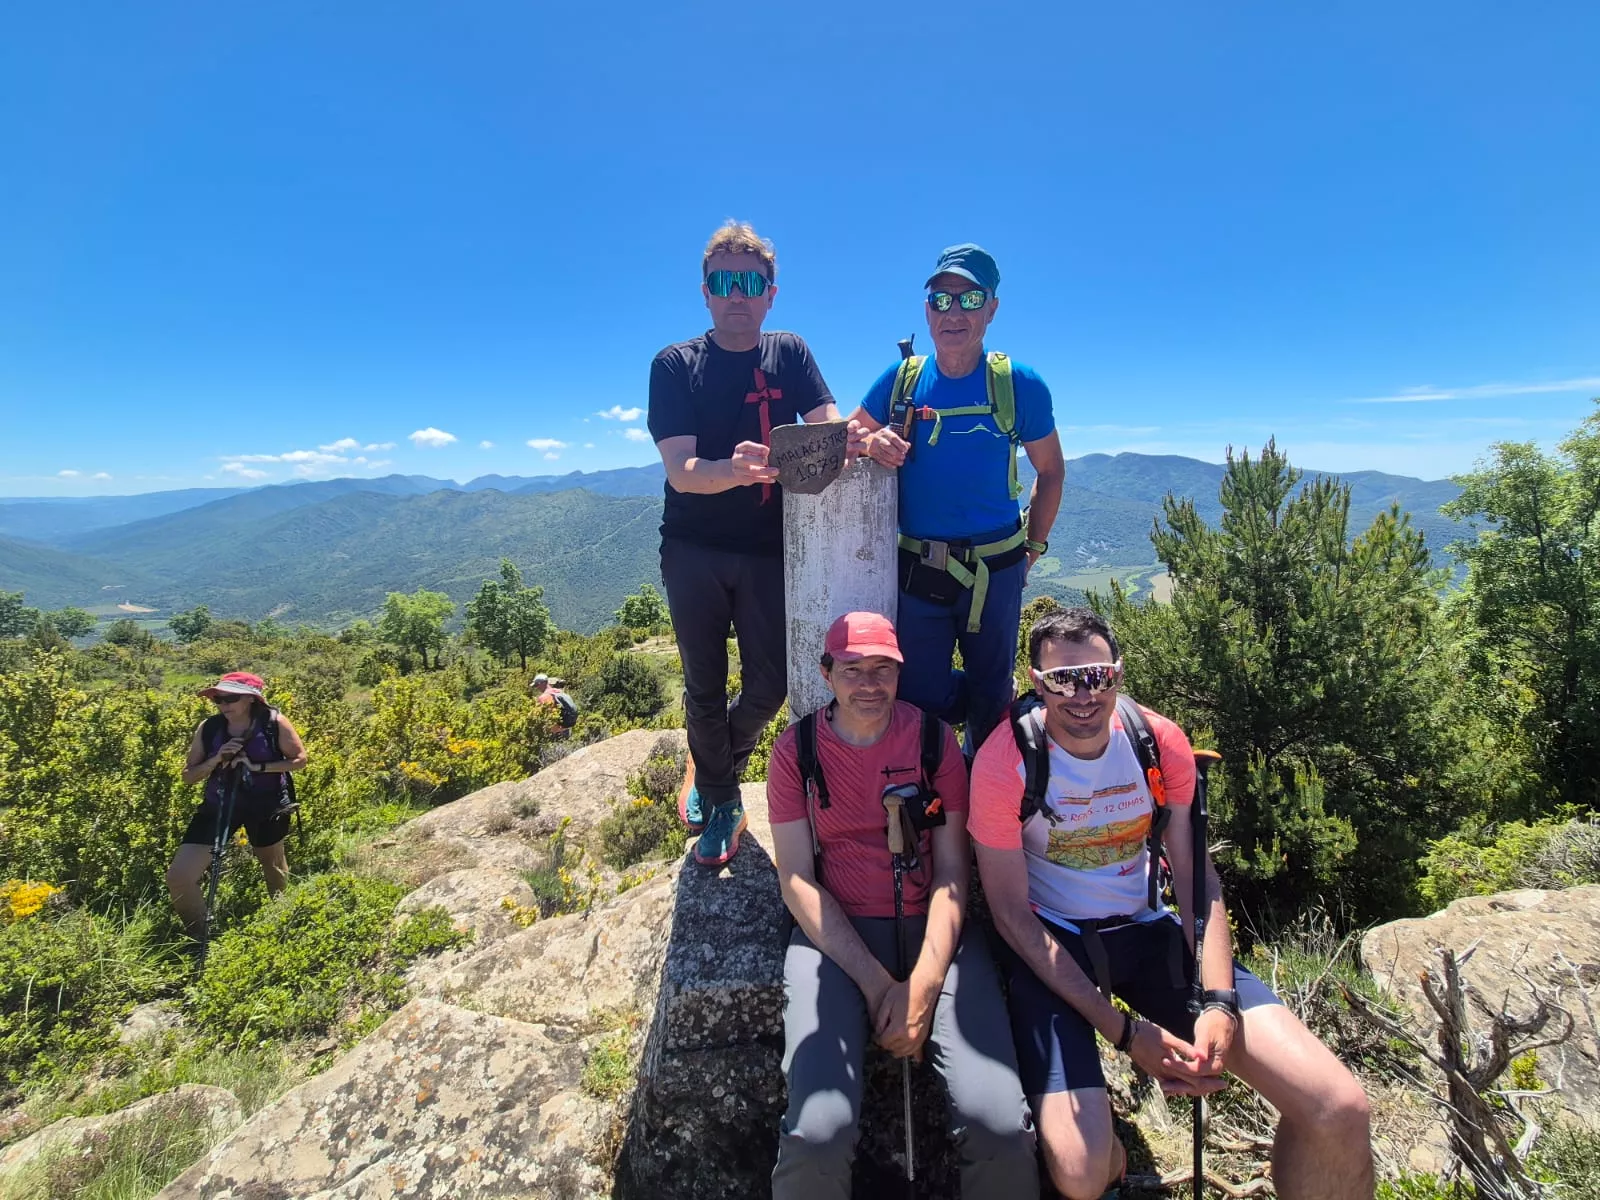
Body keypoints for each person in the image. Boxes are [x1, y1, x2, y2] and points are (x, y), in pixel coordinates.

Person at [969, 608, 1374, 1199]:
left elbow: (1195, 879)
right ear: (1036, 682)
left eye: (1098, 675)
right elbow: (1010, 915)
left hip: (1146, 930)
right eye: (1063, 679)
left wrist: (1217, 1003)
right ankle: (1110, 1152)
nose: (1083, 694)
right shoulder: (1006, 761)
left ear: (1120, 674)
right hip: (1053, 944)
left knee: (1338, 1107)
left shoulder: (1157, 741)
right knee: (1081, 1175)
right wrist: (1128, 1035)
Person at [766, 611, 1037, 1198]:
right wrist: (877, 984)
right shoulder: (797, 752)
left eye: (883, 670)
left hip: (936, 927)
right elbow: (796, 879)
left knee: (1000, 1127)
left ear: (901, 673)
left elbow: (951, 874)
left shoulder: (935, 742)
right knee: (817, 1133)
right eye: (853, 670)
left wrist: (922, 987)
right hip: (835, 939)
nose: (869, 685)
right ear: (826, 674)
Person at [648, 220, 857, 867]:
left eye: (750, 282)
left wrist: (848, 438)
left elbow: (829, 431)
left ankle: (710, 759)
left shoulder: (788, 353)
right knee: (705, 687)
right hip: (694, 547)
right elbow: (681, 471)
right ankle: (723, 796)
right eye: (724, 282)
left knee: (768, 688)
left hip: (769, 547)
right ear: (706, 292)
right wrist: (733, 471)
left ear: (770, 292)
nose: (737, 295)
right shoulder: (676, 365)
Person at [853, 243, 1064, 754]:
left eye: (970, 299)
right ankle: (951, 772)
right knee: (921, 691)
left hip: (998, 565)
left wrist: (1034, 549)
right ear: (926, 310)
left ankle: (984, 796)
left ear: (992, 309)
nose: (954, 312)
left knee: (991, 697)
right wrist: (867, 442)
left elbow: (1051, 470)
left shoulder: (1018, 384)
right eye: (941, 299)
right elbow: (846, 436)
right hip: (919, 566)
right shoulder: (901, 379)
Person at [167, 672, 308, 938]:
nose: (223, 704)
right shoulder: (208, 729)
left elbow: (299, 760)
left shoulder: (274, 723)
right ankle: (201, 938)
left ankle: (283, 922)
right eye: (218, 699)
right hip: (217, 806)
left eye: (230, 698)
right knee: (179, 877)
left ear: (251, 700)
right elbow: (188, 776)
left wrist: (257, 766)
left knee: (272, 863)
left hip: (267, 805)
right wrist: (216, 760)